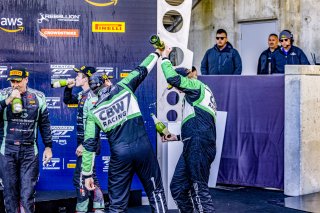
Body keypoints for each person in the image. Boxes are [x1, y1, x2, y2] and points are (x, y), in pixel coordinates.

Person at [81, 50, 167, 212]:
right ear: (106, 83)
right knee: (156, 192)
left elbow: (90, 145)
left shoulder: (93, 112)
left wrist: (87, 174)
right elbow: (143, 69)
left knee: (117, 205)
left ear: (93, 90)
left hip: (120, 156)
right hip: (143, 150)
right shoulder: (123, 86)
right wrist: (157, 53)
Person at [160, 46, 217, 212]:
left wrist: (164, 57)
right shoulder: (198, 93)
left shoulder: (195, 86)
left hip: (197, 146)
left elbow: (173, 79)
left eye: (178, 86)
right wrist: (176, 137)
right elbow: (200, 124)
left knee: (199, 190)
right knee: (177, 188)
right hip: (194, 143)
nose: (177, 90)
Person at [0, 68, 53, 213]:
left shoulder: (38, 96)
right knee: (10, 193)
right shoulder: (3, 94)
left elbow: (45, 124)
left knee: (27, 194)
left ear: (26, 79)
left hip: (30, 152)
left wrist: (48, 147)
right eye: (12, 81)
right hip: (7, 150)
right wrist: (8, 100)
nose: (15, 84)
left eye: (18, 81)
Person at [62, 66, 105, 213]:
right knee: (90, 176)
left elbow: (94, 126)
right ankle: (99, 207)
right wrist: (68, 88)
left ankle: (82, 209)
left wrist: (83, 144)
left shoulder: (93, 97)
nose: (75, 79)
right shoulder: (82, 95)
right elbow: (68, 100)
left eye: (78, 76)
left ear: (86, 78)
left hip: (88, 143)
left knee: (80, 179)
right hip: (86, 143)